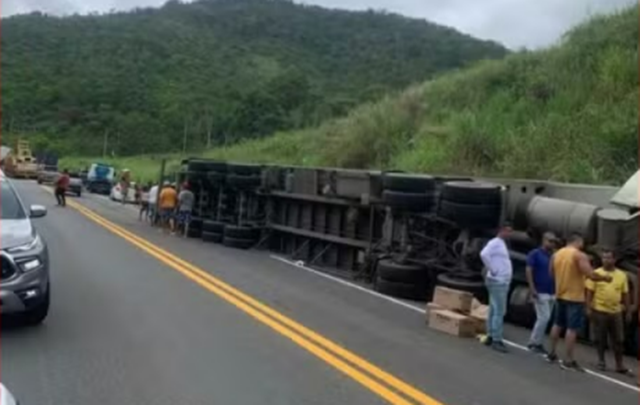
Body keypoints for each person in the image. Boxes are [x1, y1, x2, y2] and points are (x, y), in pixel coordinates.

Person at [546, 233, 612, 371]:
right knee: (572, 328)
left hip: (560, 294)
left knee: (557, 324)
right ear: (578, 241)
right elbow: (591, 274)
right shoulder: (578, 255)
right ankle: (568, 360)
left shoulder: (557, 254)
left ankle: (551, 353)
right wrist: (605, 278)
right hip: (575, 297)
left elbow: (551, 273)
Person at [586, 250, 632, 375]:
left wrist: (628, 311)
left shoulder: (622, 275)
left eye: (608, 258)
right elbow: (590, 292)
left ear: (614, 260)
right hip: (600, 310)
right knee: (600, 338)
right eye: (603, 258)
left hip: (616, 311)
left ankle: (619, 364)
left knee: (619, 339)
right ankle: (601, 360)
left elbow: (625, 294)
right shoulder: (596, 274)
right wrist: (588, 308)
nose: (605, 260)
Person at [480, 223, 513, 353]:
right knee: (500, 311)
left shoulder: (501, 243)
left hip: (499, 280)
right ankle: (497, 339)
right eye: (508, 231)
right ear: (501, 230)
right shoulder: (496, 242)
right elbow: (483, 254)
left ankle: (490, 335)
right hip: (498, 281)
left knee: (493, 309)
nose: (510, 234)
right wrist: (492, 269)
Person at [525, 232, 558, 354]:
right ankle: (534, 342)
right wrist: (532, 288)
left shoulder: (553, 256)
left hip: (552, 291)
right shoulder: (535, 253)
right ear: (543, 240)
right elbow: (529, 270)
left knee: (546, 318)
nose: (552, 243)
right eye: (550, 241)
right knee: (544, 317)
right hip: (540, 290)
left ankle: (537, 342)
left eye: (554, 241)